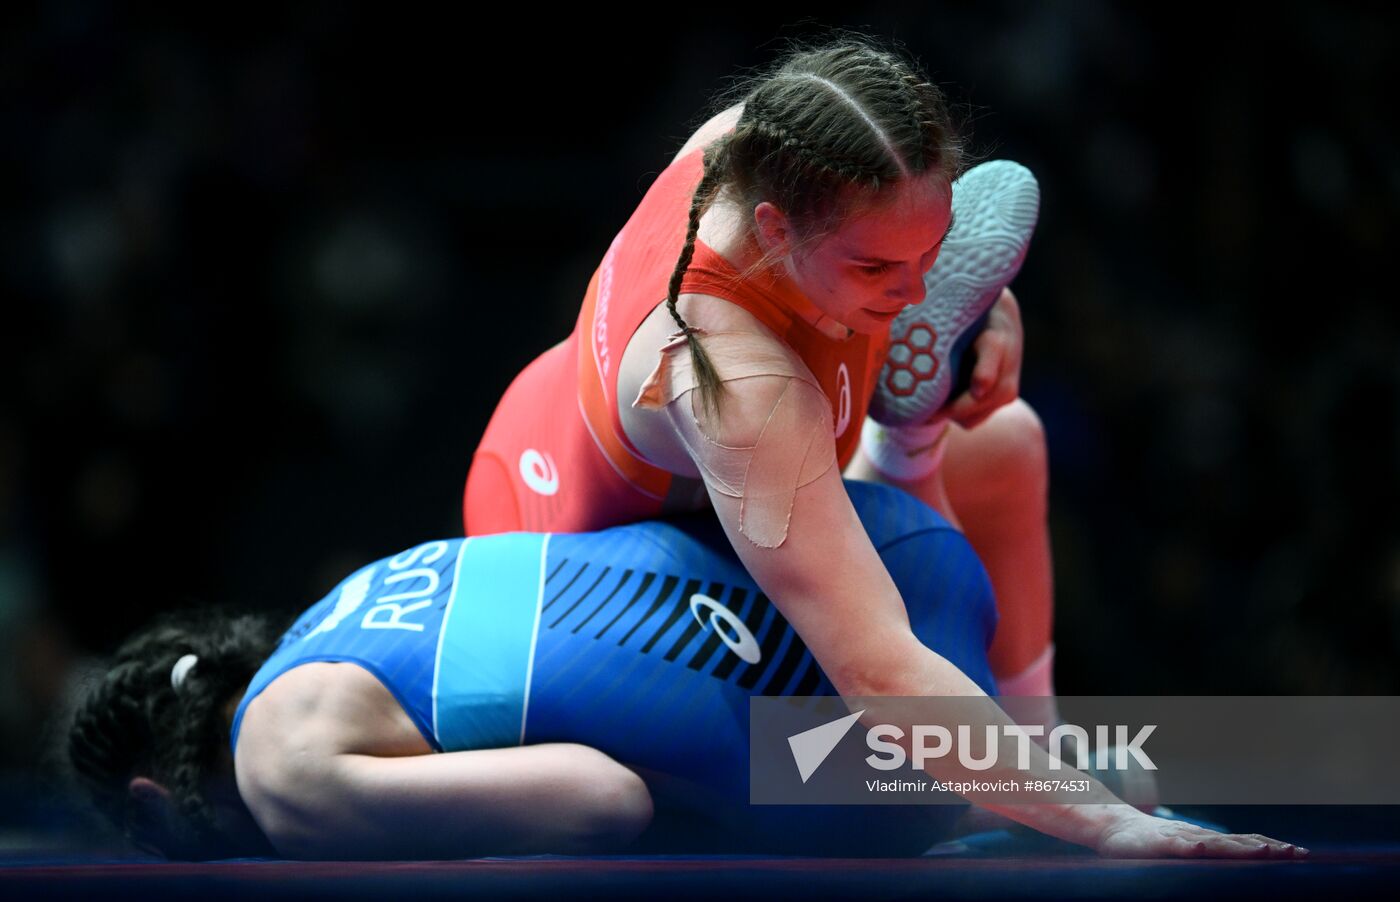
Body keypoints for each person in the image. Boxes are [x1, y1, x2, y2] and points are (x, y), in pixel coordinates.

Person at [66, 481, 1304, 861]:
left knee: (962, 798)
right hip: (873, 546)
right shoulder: (343, 602)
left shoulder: (279, 771)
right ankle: (906, 430)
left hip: (823, 747)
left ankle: (1059, 779)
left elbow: (601, 798)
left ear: (153, 805)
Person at [462, 34, 1061, 749]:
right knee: (923, 610)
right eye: (878, 269)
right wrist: (1094, 817)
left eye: (930, 252)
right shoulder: (734, 374)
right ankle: (910, 441)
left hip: (707, 493)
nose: (917, 290)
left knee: (1005, 441)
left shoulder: (780, 146)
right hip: (573, 579)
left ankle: (1045, 736)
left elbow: (878, 239)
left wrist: (989, 310)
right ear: (776, 229)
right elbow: (881, 669)